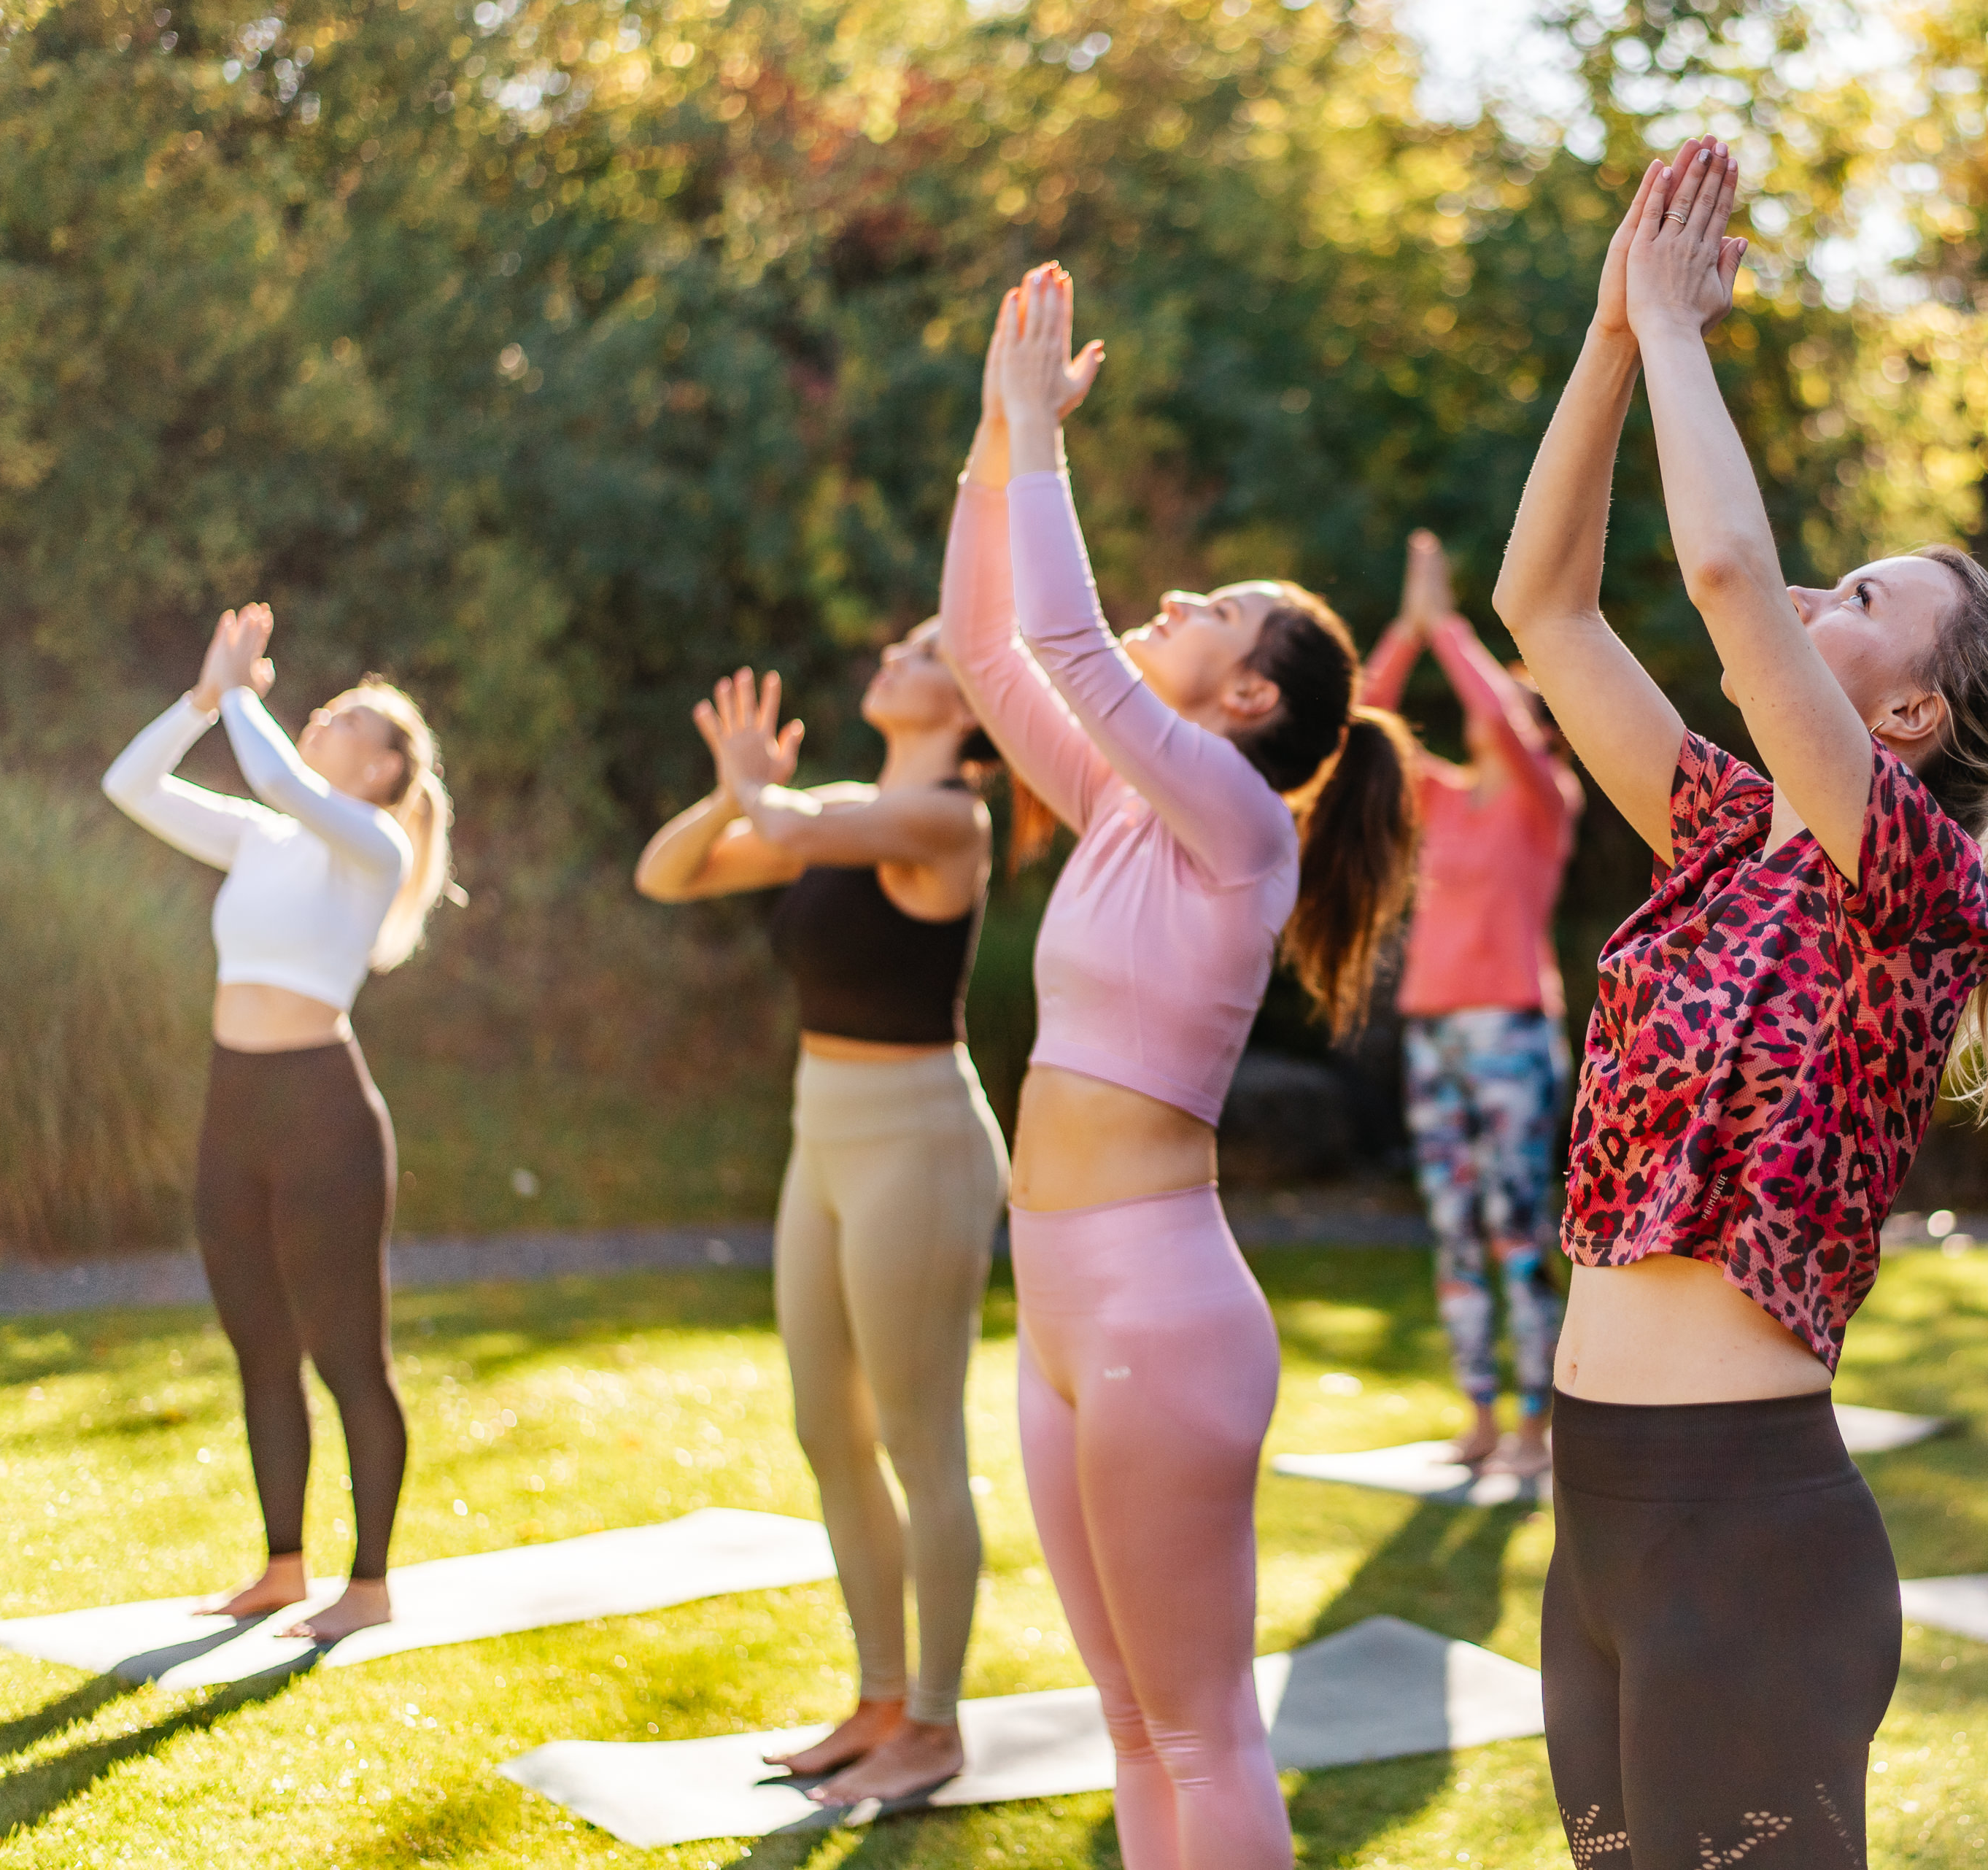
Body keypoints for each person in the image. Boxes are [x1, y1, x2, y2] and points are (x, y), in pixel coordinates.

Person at [1492, 141, 1988, 1867]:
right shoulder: (1722, 833)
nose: (1823, 590)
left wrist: (1682, 328)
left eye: (1868, 598)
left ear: (1908, 720)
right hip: (1599, 1513)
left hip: (1746, 1533)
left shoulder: (1920, 893)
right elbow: (1543, 606)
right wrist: (1613, 334)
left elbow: (1734, 585)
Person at [941, 265, 1417, 1870]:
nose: (1175, 604)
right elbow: (988, 648)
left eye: (1208, 612)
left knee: (1202, 1725)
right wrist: (993, 442)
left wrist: (1040, 434)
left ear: (1250, 696)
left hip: (1159, 1311)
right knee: (1132, 1719)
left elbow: (1067, 639)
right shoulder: (1127, 809)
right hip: (1063, 1306)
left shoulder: (1236, 821)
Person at [634, 624, 1033, 1806]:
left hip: (919, 1144)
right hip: (823, 1136)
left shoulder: (949, 822)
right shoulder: (846, 809)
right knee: (827, 1428)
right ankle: (877, 1700)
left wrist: (763, 792)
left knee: (920, 1438)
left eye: (924, 653)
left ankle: (936, 1726)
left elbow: (803, 831)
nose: (894, 657)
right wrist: (731, 796)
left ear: (967, 705)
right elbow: (668, 875)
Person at [101, 603, 455, 1642]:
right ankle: (282, 1569)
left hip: (322, 1115)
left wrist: (238, 694)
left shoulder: (371, 843)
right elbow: (130, 786)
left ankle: (370, 1586)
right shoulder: (265, 837)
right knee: (259, 1346)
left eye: (351, 718)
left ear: (384, 769)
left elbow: (278, 778)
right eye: (327, 707)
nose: (325, 716)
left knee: (348, 1356)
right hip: (235, 1107)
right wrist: (201, 700)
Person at [1358, 530, 1582, 1475]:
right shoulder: (1441, 800)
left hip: (1510, 1034)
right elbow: (1361, 729)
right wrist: (1407, 635)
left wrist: (1449, 625)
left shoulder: (1548, 798)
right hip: (1433, 1034)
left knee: (1516, 1230)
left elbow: (1497, 708)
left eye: (1520, 705)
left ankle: (1538, 1424)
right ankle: (1480, 1416)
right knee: (1452, 1230)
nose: (1498, 709)